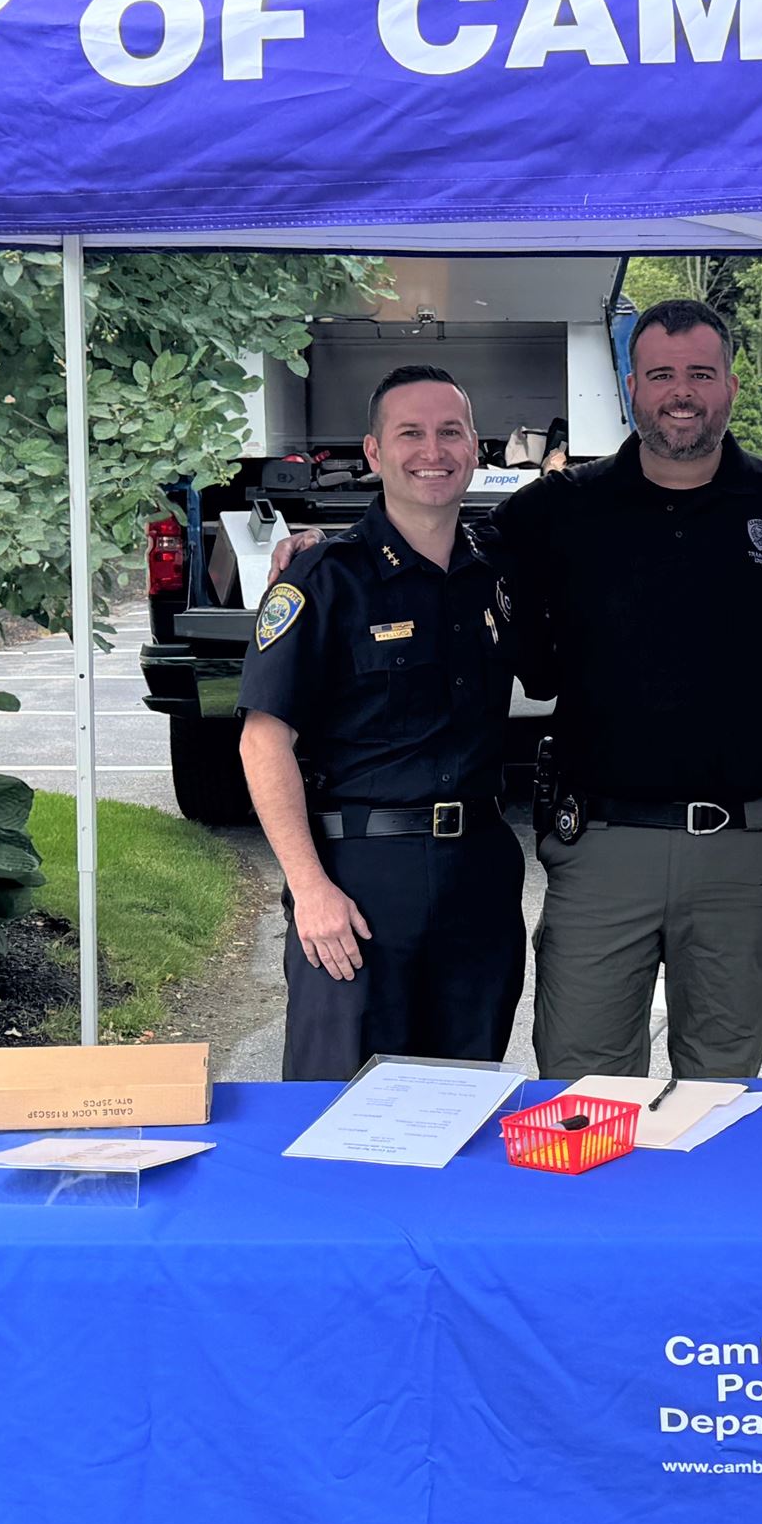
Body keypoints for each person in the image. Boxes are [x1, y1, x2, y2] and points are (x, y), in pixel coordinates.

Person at [498, 299, 762, 1079]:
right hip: (600, 851)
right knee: (582, 1097)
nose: (682, 392)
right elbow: (434, 549)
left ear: (731, 387)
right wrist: (318, 549)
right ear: (632, 387)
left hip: (744, 856)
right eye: (663, 375)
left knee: (716, 1101)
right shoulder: (561, 508)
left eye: (701, 374)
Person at [238, 364, 524, 1080]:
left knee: (462, 1104)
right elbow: (263, 739)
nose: (434, 449)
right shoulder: (324, 577)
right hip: (360, 885)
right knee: (341, 1108)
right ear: (372, 453)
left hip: (478, 878)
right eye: (411, 433)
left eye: (450, 431)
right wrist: (310, 888)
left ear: (475, 447)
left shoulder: (497, 572)